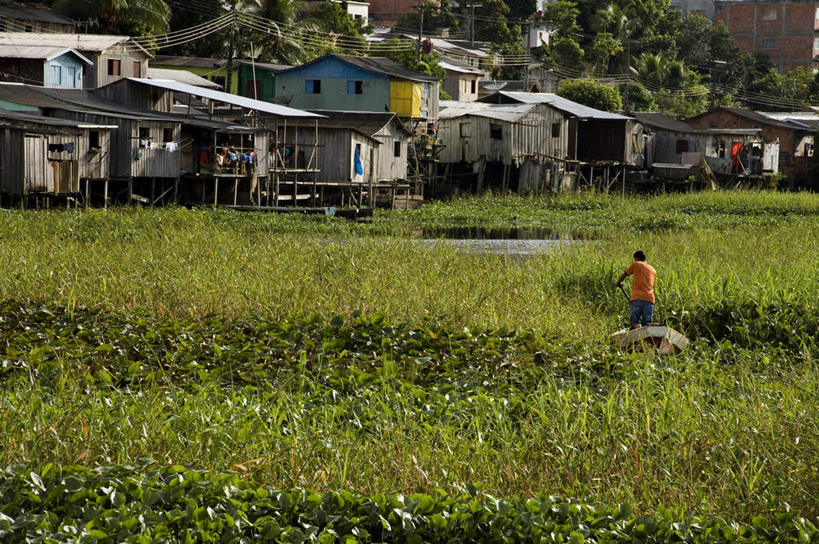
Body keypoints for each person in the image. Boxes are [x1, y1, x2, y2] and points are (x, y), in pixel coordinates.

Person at [616, 250, 656, 328]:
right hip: (650, 299)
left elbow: (624, 274)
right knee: (647, 323)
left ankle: (637, 329)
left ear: (636, 259)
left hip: (637, 298)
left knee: (634, 322)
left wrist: (618, 283)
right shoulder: (653, 270)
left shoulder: (636, 264)